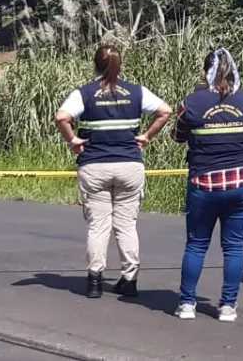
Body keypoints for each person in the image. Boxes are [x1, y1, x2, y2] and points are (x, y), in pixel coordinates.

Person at [55, 45, 172, 299]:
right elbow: (165, 111)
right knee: (126, 225)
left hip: (94, 165)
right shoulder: (136, 92)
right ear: (120, 65)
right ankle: (129, 279)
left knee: (98, 226)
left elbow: (61, 117)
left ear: (95, 65)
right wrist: (147, 136)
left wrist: (73, 140)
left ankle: (95, 280)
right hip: (129, 164)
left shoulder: (84, 93)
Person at [172, 48, 243, 322]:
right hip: (241, 183)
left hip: (203, 183)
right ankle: (228, 306)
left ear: (206, 72)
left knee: (196, 245)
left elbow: (177, 136)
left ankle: (187, 303)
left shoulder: (191, 103)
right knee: (234, 246)